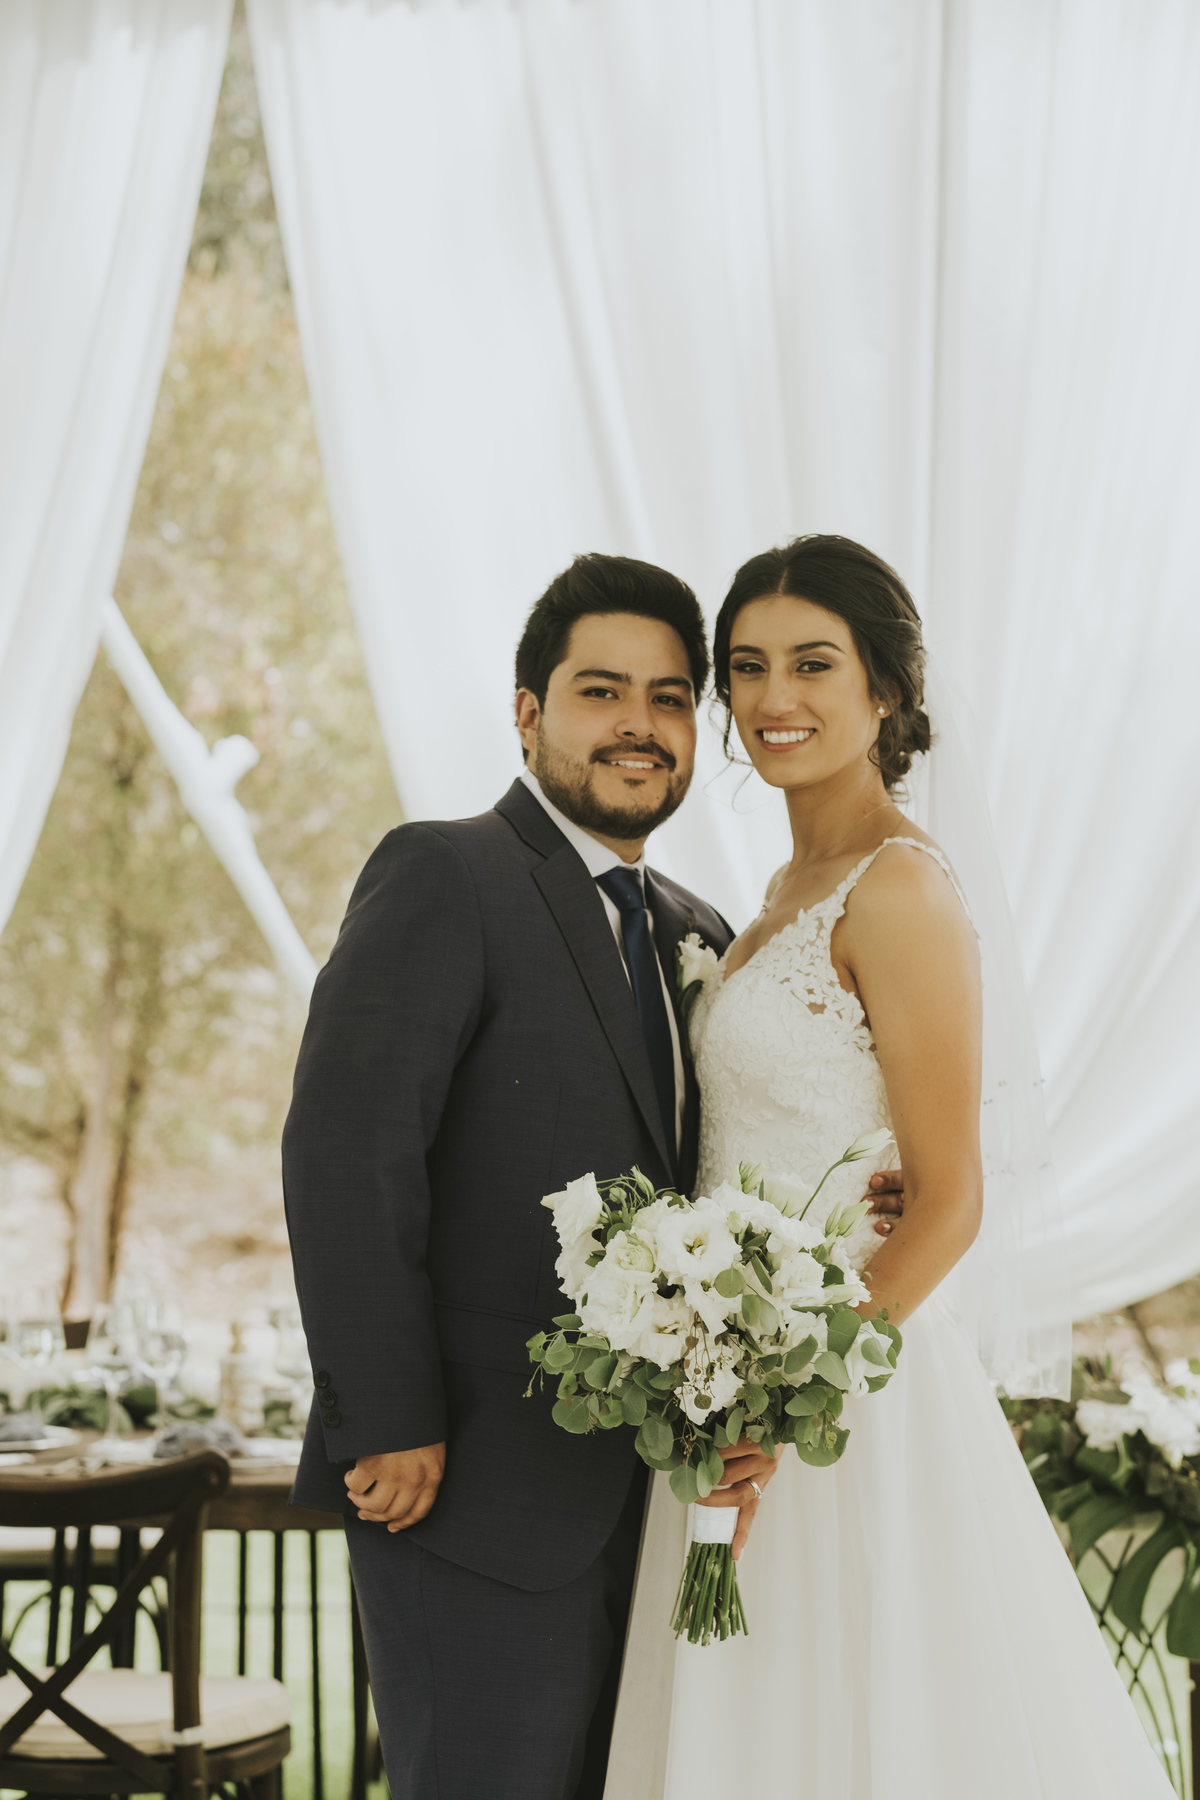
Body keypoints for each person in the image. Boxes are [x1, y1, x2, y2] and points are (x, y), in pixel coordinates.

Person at [282, 552, 903, 1799]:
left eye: (671, 698)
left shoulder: (700, 929)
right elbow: (346, 1155)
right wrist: (391, 1420)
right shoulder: (444, 873)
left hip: (659, 1496)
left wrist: (862, 1199)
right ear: (529, 713)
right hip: (466, 1491)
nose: (639, 725)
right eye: (600, 692)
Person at [605, 535, 1175, 1800]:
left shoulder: (901, 891)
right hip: (731, 1377)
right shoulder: (773, 892)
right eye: (746, 668)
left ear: (888, 693)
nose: (773, 699)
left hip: (841, 1402)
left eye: (814, 664)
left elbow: (951, 1197)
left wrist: (778, 1408)